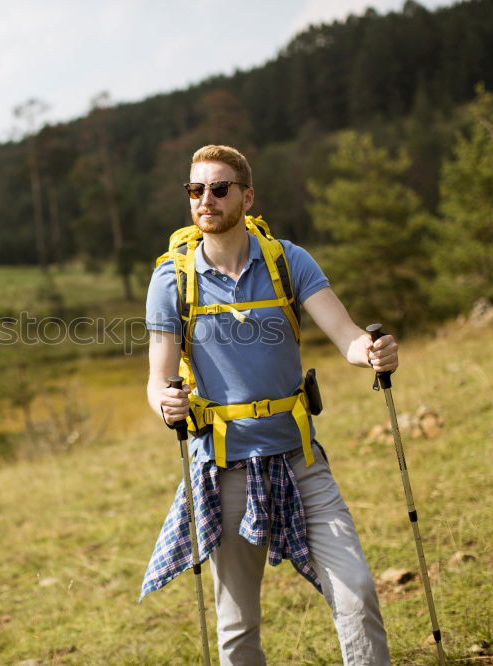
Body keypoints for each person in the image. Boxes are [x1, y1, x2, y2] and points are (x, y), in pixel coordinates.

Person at [141, 144, 397, 665]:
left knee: (358, 591)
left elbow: (347, 337)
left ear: (246, 195)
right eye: (195, 190)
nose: (205, 199)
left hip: (300, 460)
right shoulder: (172, 278)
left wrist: (371, 353)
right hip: (224, 466)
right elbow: (157, 381)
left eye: (218, 188)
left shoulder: (287, 260)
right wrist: (166, 403)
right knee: (237, 628)